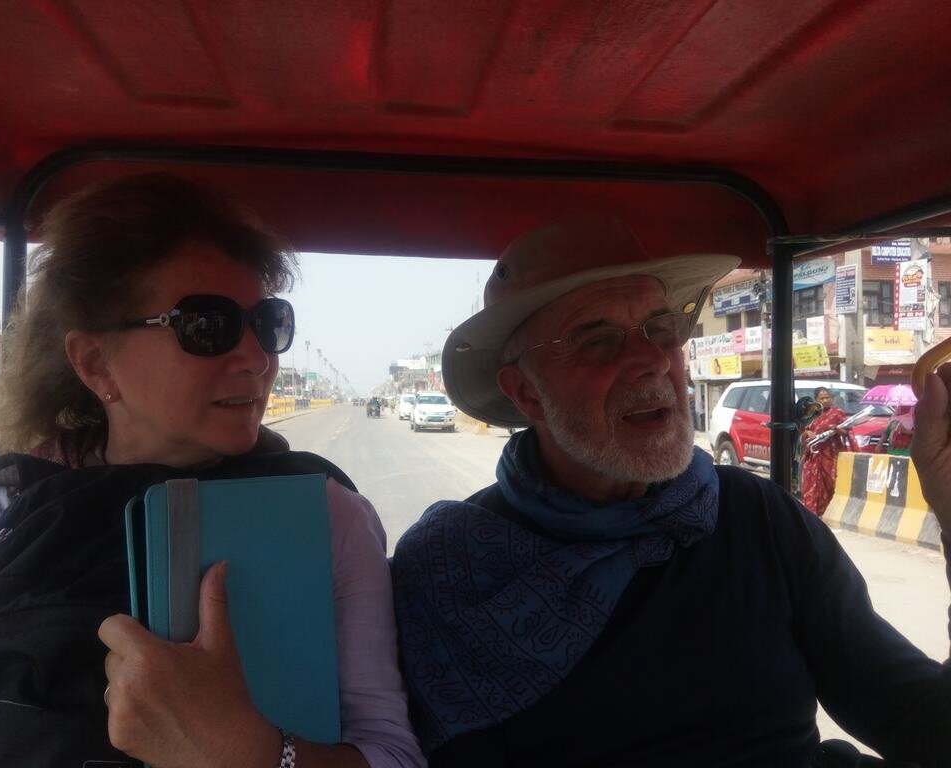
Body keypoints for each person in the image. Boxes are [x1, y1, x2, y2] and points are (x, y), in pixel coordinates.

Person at [390, 216, 951, 767]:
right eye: (598, 340)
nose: (654, 360)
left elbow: (914, 718)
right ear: (527, 394)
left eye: (661, 329)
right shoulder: (450, 567)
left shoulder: (758, 518)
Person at [0, 174, 424, 768]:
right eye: (206, 326)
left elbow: (392, 751)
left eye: (267, 324)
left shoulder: (327, 515)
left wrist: (248, 752)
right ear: (95, 364)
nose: (257, 359)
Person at [800, 386, 852, 516]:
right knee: (812, 484)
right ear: (816, 400)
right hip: (814, 454)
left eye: (827, 397)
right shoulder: (811, 414)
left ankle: (831, 512)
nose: (825, 400)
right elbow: (801, 433)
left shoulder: (837, 413)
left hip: (830, 455)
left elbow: (846, 432)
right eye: (821, 398)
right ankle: (812, 513)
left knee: (831, 483)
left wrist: (837, 430)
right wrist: (807, 433)